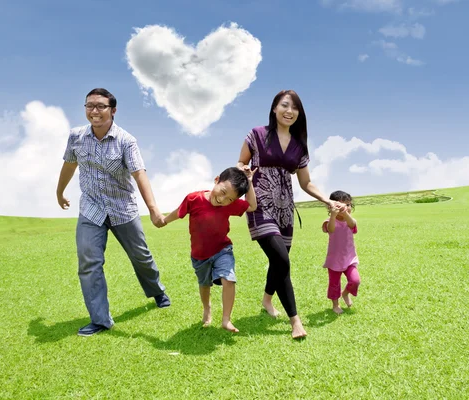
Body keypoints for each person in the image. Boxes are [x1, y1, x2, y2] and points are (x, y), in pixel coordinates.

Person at [56, 88, 171, 337]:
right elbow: (69, 163)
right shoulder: (76, 136)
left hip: (122, 209)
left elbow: (139, 173)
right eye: (89, 106)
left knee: (141, 257)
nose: (94, 111)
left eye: (100, 106)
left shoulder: (126, 141)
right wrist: (59, 191)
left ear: (113, 110)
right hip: (91, 209)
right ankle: (100, 319)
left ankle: (157, 291)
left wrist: (153, 210)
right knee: (89, 263)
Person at [237, 89, 345, 339]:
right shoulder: (257, 135)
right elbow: (240, 162)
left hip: (285, 209)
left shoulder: (299, 146)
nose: (289, 111)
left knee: (279, 260)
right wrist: (243, 171)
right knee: (283, 261)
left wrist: (326, 199)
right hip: (259, 204)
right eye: (285, 105)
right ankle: (295, 320)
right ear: (274, 108)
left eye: (295, 107)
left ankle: (266, 300)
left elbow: (306, 182)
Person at [163, 167, 257, 333]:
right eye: (222, 192)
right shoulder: (194, 199)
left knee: (229, 279)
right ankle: (207, 308)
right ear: (216, 180)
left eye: (229, 199)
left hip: (222, 250)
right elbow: (179, 212)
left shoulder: (231, 205)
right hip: (200, 256)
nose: (222, 199)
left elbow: (251, 206)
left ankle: (226, 319)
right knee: (204, 285)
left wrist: (249, 182)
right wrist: (164, 220)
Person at [322, 191, 361, 314]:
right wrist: (333, 216)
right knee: (334, 284)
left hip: (350, 259)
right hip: (334, 260)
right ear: (331, 207)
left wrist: (345, 213)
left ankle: (345, 293)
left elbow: (352, 224)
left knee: (355, 280)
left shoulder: (351, 220)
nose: (346, 208)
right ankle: (335, 305)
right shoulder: (328, 221)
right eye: (341, 205)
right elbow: (331, 229)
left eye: (348, 205)